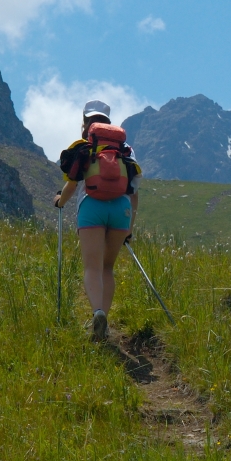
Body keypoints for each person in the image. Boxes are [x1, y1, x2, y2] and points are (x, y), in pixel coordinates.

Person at [54, 100, 141, 340]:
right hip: (121, 209)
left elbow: (72, 184)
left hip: (91, 206)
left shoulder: (83, 147)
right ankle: (105, 322)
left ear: (85, 122)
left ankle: (97, 312)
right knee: (107, 267)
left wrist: (60, 201)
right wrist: (129, 230)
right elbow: (134, 193)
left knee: (92, 266)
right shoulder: (126, 150)